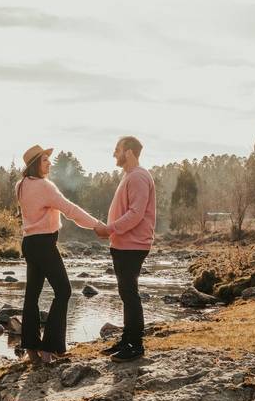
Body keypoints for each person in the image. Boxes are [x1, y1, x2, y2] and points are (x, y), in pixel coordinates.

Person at [16, 144, 108, 364]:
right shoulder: (45, 187)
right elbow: (70, 210)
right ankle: (50, 348)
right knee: (64, 291)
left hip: (29, 243)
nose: (49, 162)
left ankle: (31, 348)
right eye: (45, 159)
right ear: (35, 164)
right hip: (45, 244)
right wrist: (96, 224)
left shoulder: (20, 185)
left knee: (32, 296)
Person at [96, 136, 156, 362]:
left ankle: (136, 346)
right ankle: (127, 339)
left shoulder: (139, 176)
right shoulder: (130, 176)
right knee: (126, 292)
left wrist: (109, 229)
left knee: (129, 293)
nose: (114, 153)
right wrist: (111, 232)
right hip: (124, 243)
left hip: (133, 244)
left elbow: (135, 214)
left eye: (117, 149)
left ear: (129, 152)